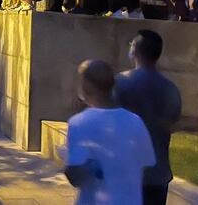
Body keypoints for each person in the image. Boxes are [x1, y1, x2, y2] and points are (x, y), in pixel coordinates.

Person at [65, 60, 155, 205]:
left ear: (86, 85)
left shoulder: (79, 123)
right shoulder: (135, 121)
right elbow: (146, 164)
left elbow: (74, 178)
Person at [115, 31, 181, 205]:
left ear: (135, 50)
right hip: (157, 173)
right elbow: (171, 122)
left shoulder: (120, 83)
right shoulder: (170, 88)